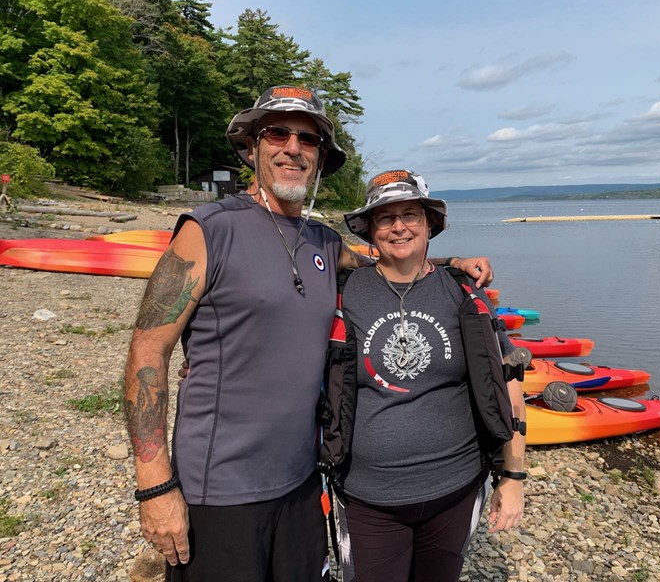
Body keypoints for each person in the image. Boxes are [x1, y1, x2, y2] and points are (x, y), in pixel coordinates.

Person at [122, 86, 494, 582]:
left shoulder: (323, 240)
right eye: (278, 132)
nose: (292, 147)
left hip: (302, 482)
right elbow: (149, 348)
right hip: (220, 487)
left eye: (309, 139)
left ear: (320, 158)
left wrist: (451, 264)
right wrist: (154, 484)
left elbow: (386, 260)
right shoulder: (209, 230)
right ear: (252, 146)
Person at [330, 169, 527, 582]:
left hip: (454, 489)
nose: (398, 226)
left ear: (430, 224)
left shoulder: (463, 292)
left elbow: (508, 381)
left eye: (410, 215)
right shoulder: (345, 290)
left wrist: (513, 477)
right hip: (369, 495)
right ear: (369, 229)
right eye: (385, 217)